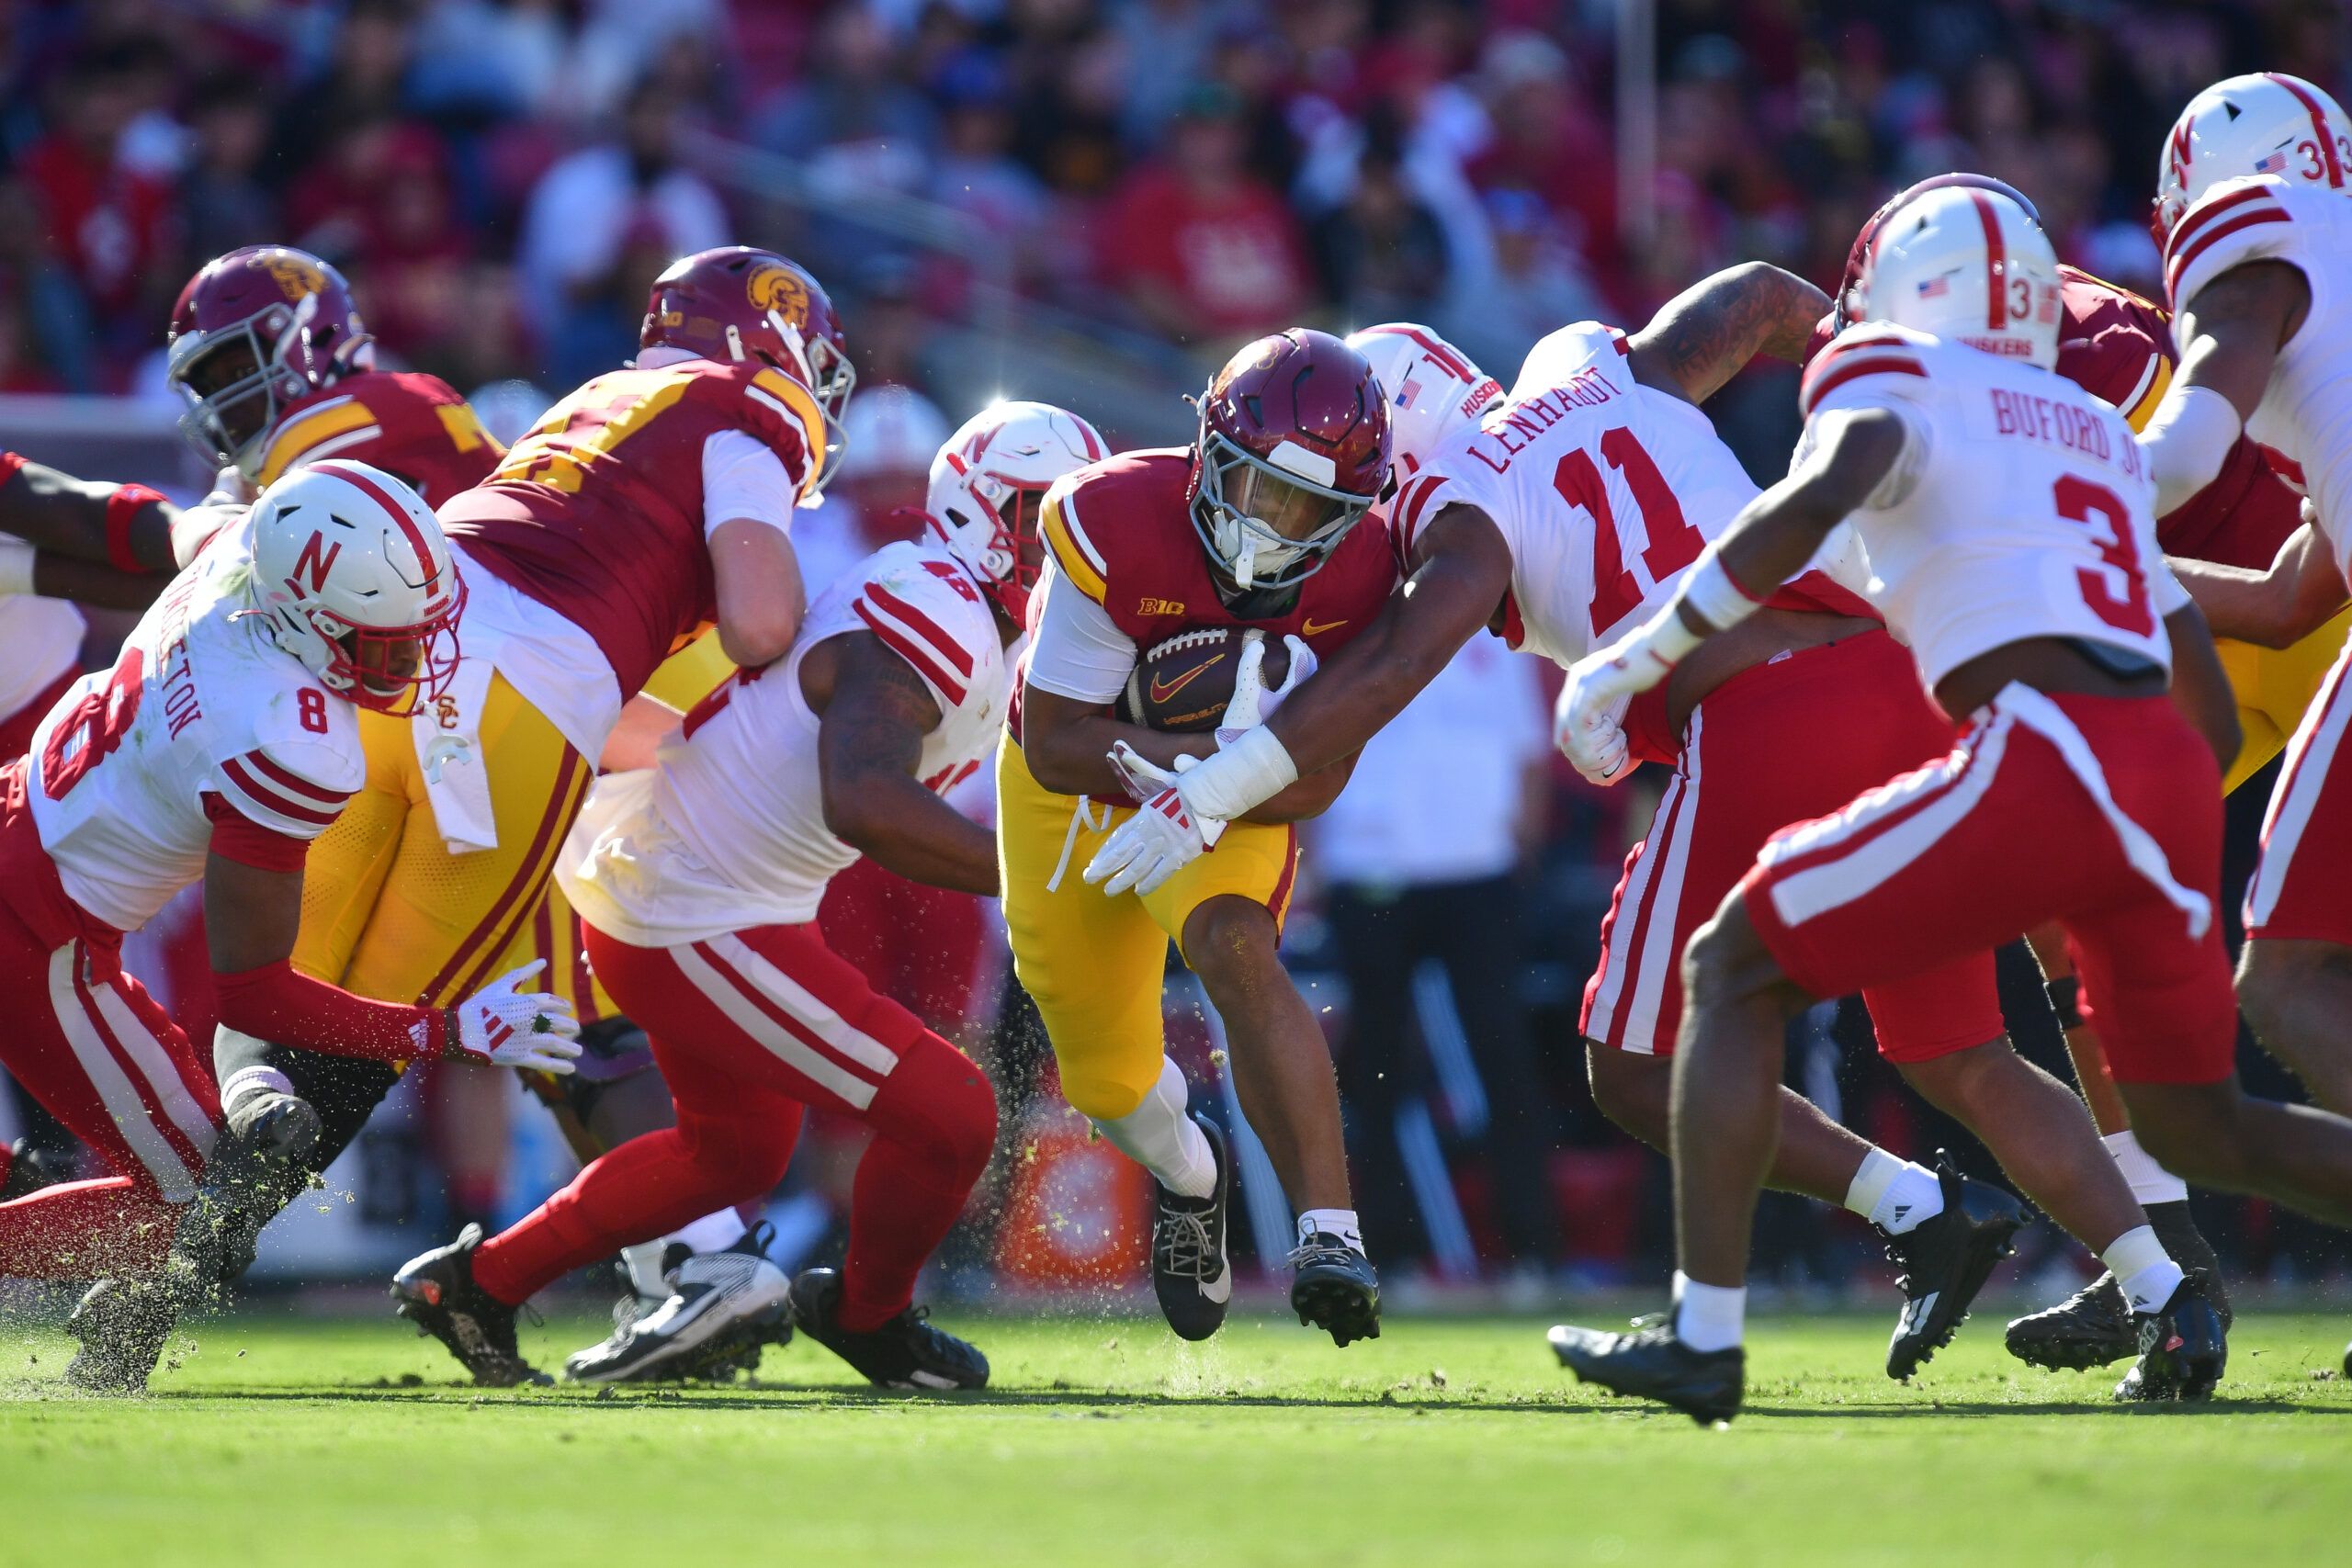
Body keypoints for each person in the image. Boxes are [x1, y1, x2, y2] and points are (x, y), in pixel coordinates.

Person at [1096, 289, 2204, 1389]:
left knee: (1635, 1064)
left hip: (1758, 717)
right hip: (1890, 671)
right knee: (1957, 1051)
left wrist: (1218, 784)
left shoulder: (1457, 493)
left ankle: (1768, 1294)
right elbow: (1769, 296)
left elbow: (1397, 665)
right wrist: (1869, 391)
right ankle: (2163, 1292)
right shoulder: (1599, 362)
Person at [1546, 180, 2352, 1423]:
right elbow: (2174, 623)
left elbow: (1810, 501)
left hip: (2053, 748)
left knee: (1731, 968)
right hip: (2166, 777)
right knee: (2213, 1127)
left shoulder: (1893, 375)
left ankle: (1704, 1335)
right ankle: (2163, 1280)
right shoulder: (2083, 421)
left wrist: (1630, 653)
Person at [84, 246, 848, 1388]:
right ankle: (166, 1292)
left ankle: (163, 1257)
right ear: (774, 341)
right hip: (520, 708)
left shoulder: (595, 398)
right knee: (383, 1027)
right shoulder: (739, 415)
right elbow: (756, 623)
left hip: (398, 672)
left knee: (286, 992)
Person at [393, 400, 1102, 1389]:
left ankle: (477, 1286)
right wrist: (1036, 877)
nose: (1065, 551)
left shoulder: (954, 607)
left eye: (1082, 527)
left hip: (711, 896)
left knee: (729, 1154)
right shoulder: (935, 612)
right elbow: (864, 800)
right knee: (952, 1111)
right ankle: (869, 1318)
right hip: (698, 911)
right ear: (985, 514)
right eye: (1042, 521)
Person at [2, 463, 577, 1391]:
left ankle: (100, 1328)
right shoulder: (286, 735)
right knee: (194, 1205)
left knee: (194, 1184)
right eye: (381, 641)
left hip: (25, 833)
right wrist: (442, 1031)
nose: (411, 661)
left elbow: (149, 527)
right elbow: (256, 992)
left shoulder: (241, 550)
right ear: (306, 615)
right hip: (40, 935)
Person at [1012, 329, 1390, 1347]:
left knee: (1232, 941)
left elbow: (1319, 774)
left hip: (1237, 794)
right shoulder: (1114, 517)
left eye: (1310, 509)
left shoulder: (1364, 572)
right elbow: (1055, 744)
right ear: (1209, 452)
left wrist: (1212, 791)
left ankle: (1329, 1235)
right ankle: (1193, 1168)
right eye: (1262, 489)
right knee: (1105, 1082)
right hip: (1079, 784)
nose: (1276, 525)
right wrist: (1193, 772)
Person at [2132, 73, 2352, 1377]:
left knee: (2285, 977)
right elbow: (2283, 600)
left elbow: (2182, 444)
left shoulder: (2258, 229)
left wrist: (2051, 477)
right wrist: (2097, 557)